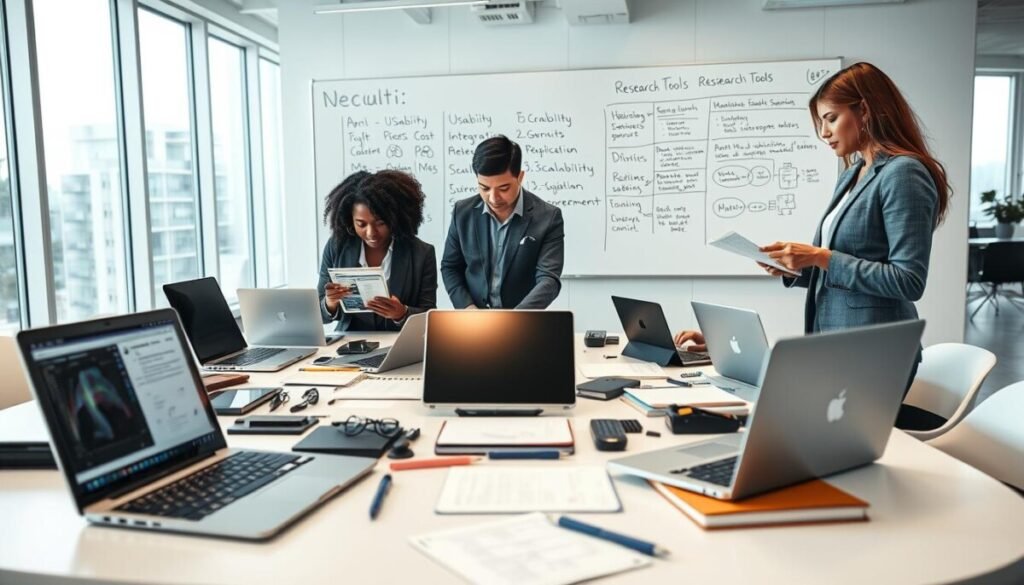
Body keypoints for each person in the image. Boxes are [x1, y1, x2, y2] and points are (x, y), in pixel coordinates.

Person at [678, 62, 951, 412]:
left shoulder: (903, 173)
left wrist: (819, 257)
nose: (823, 132)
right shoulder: (853, 174)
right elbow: (843, 266)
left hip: (876, 352)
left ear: (864, 110)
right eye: (820, 121)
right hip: (834, 345)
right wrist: (796, 267)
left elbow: (908, 280)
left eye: (831, 118)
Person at [441, 135, 565, 309]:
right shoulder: (462, 212)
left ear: (520, 177)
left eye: (503, 188)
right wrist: (467, 308)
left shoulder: (548, 217)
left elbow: (549, 279)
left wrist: (515, 319)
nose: (493, 198)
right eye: (484, 188)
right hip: (473, 322)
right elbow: (450, 267)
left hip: (523, 322)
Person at [318, 170, 437, 331]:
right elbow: (319, 314)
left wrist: (402, 313)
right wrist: (330, 303)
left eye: (380, 223)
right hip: (350, 343)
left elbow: (429, 316)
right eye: (361, 224)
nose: (371, 233)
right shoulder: (337, 247)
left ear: (395, 218)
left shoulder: (422, 253)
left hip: (399, 341)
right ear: (349, 219)